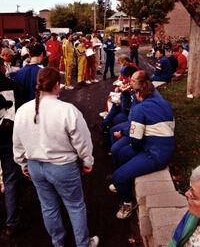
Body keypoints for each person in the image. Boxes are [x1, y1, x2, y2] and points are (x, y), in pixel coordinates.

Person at [13, 67, 99, 247]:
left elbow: (18, 142)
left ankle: (57, 242)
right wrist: (87, 160)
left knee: (49, 206)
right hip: (63, 167)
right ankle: (83, 244)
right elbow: (83, 141)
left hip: (36, 166)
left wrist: (22, 163)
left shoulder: (22, 110)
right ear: (57, 85)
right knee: (75, 206)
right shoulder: (68, 110)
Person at [110, 70, 175, 219]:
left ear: (139, 94)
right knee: (122, 153)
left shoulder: (140, 108)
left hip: (156, 154)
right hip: (160, 147)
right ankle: (125, 184)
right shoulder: (163, 102)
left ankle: (127, 203)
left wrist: (135, 151)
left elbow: (136, 141)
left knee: (118, 176)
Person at [0, 58, 23, 236]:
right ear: (2, 67)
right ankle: (12, 222)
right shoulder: (13, 85)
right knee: (10, 179)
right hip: (8, 139)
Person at [167, 165, 200, 246]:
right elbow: (174, 241)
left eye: (193, 195)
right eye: (190, 188)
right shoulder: (193, 216)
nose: (186, 194)